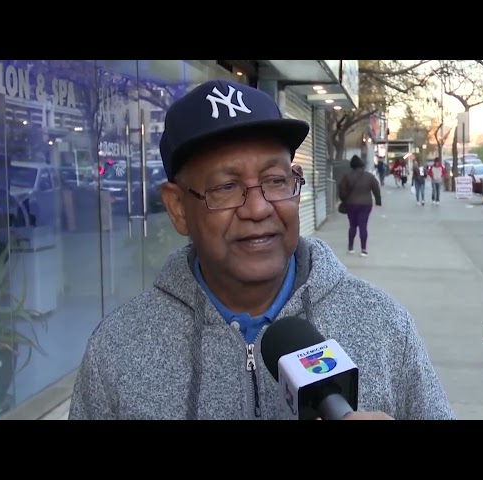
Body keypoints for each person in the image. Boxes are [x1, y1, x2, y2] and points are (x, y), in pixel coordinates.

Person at [68, 79, 455, 421]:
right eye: (225, 187)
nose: (258, 208)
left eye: (275, 180)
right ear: (176, 208)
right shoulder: (117, 351)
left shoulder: (384, 326)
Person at [337, 155, 382, 257]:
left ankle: (351, 247)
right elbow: (376, 188)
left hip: (351, 204)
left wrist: (345, 200)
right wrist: (378, 201)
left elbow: (342, 190)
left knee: (352, 226)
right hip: (366, 205)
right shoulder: (369, 176)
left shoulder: (347, 176)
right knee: (363, 226)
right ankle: (363, 249)